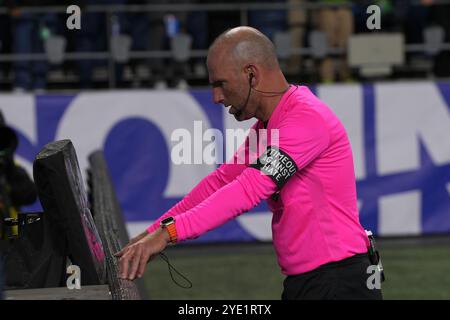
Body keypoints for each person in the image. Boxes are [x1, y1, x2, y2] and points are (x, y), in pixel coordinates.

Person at [116, 26, 383, 300]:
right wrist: (151, 233)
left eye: (221, 84)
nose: (216, 97)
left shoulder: (306, 118)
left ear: (251, 74)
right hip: (316, 281)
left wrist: (166, 234)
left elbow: (248, 189)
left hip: (338, 283)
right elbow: (220, 182)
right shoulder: (267, 128)